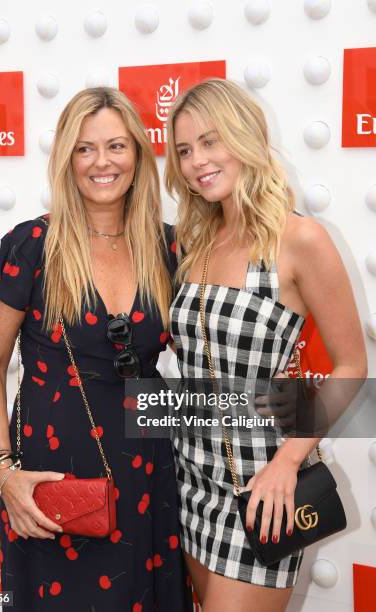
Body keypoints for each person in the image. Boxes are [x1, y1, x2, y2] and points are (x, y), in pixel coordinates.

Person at [0, 87, 192, 611]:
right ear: (66, 160)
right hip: (52, 479)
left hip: (147, 464)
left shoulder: (170, 247)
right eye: (84, 148)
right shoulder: (30, 246)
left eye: (117, 146)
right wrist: (5, 475)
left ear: (138, 156)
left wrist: (279, 419)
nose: (102, 162)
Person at [164, 78, 367, 611]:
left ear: (244, 138)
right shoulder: (195, 240)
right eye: (184, 150)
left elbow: (350, 364)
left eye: (210, 142)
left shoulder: (299, 240)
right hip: (189, 476)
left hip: (263, 488)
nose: (195, 162)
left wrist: (287, 462)